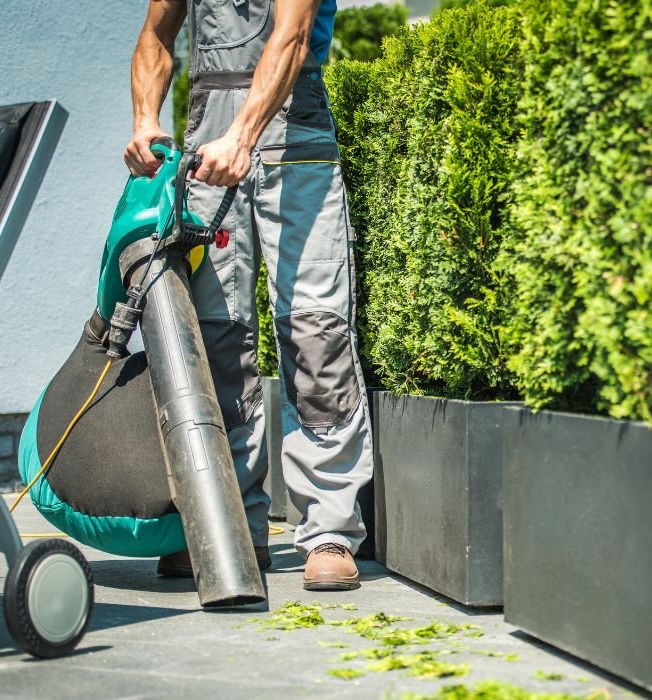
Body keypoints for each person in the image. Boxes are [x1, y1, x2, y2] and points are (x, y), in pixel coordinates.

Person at [124, 0, 373, 591]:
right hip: (209, 153)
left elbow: (291, 35)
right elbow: (156, 37)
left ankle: (329, 529)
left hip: (297, 146)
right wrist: (144, 121)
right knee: (218, 337)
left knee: (317, 336)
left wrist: (242, 135)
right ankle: (230, 522)